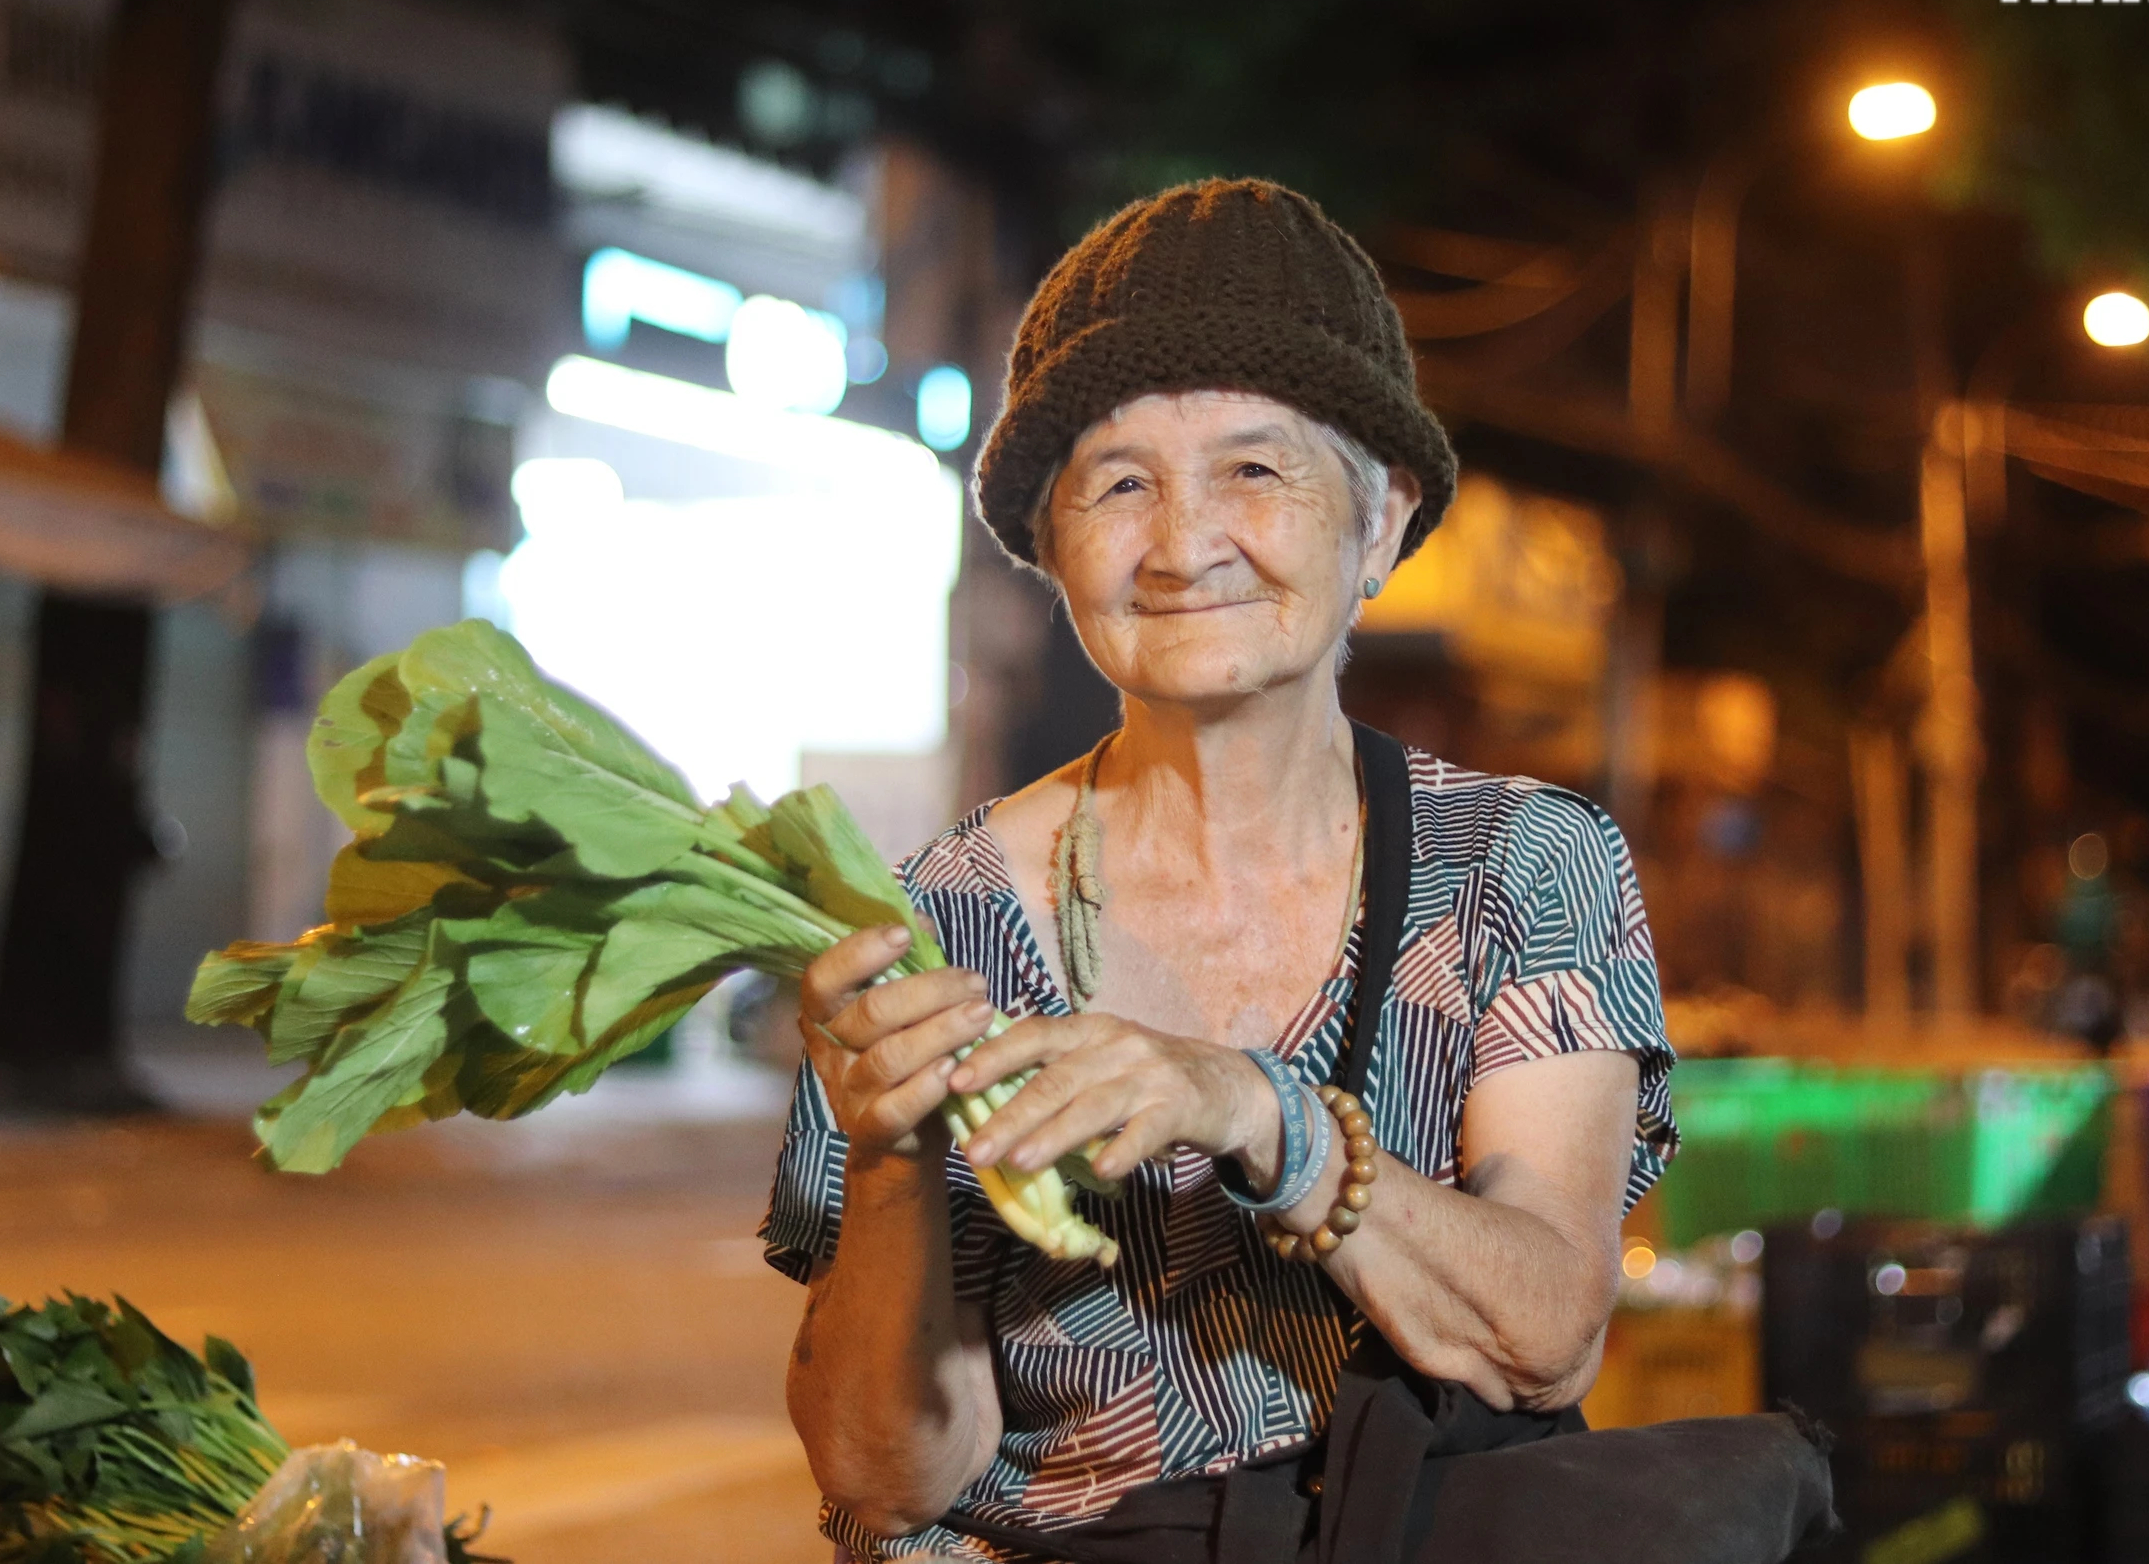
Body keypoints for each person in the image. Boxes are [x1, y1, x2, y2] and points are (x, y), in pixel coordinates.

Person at [763, 181, 1820, 1564]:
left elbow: (1543, 1334)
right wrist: (891, 1152)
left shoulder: (1523, 866)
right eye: (1120, 482)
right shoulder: (932, 920)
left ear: (1378, 522)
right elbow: (883, 1471)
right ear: (1052, 550)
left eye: (1255, 470)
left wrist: (1257, 1111)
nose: (1184, 543)